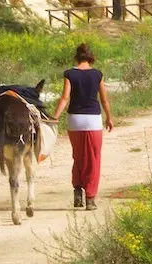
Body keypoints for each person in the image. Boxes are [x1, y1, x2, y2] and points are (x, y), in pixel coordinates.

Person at [52, 43, 113, 211]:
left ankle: (78, 191)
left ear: (77, 57)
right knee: (93, 158)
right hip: (93, 120)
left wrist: (54, 118)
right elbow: (104, 100)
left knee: (78, 156)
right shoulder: (97, 74)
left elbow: (65, 98)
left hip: (75, 120)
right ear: (90, 57)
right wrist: (109, 118)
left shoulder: (69, 74)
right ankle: (90, 198)